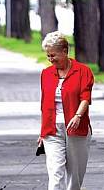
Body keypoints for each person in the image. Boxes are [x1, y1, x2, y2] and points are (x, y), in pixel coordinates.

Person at [38, 31, 94, 190]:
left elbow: (86, 97)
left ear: (64, 51)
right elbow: (45, 105)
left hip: (75, 127)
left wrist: (78, 116)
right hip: (52, 129)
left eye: (53, 55)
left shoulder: (83, 71)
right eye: (48, 56)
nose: (50, 59)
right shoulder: (46, 74)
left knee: (74, 177)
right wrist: (42, 132)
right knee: (55, 173)